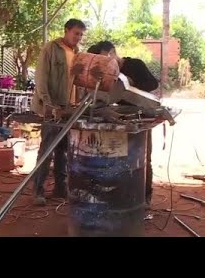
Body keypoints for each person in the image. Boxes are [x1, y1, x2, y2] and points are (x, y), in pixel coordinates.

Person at [87, 40, 159, 206]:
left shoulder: (135, 64)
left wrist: (132, 82)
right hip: (120, 117)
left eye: (105, 59)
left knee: (143, 158)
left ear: (113, 53)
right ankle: (121, 196)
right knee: (122, 159)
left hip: (141, 117)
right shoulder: (107, 72)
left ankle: (145, 197)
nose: (104, 64)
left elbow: (153, 84)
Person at [31, 18, 87, 205]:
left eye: (80, 34)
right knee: (47, 150)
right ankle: (38, 191)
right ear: (66, 31)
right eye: (75, 33)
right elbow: (41, 78)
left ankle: (60, 189)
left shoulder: (78, 53)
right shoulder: (51, 48)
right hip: (52, 108)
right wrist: (48, 104)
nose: (78, 37)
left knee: (63, 150)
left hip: (69, 109)